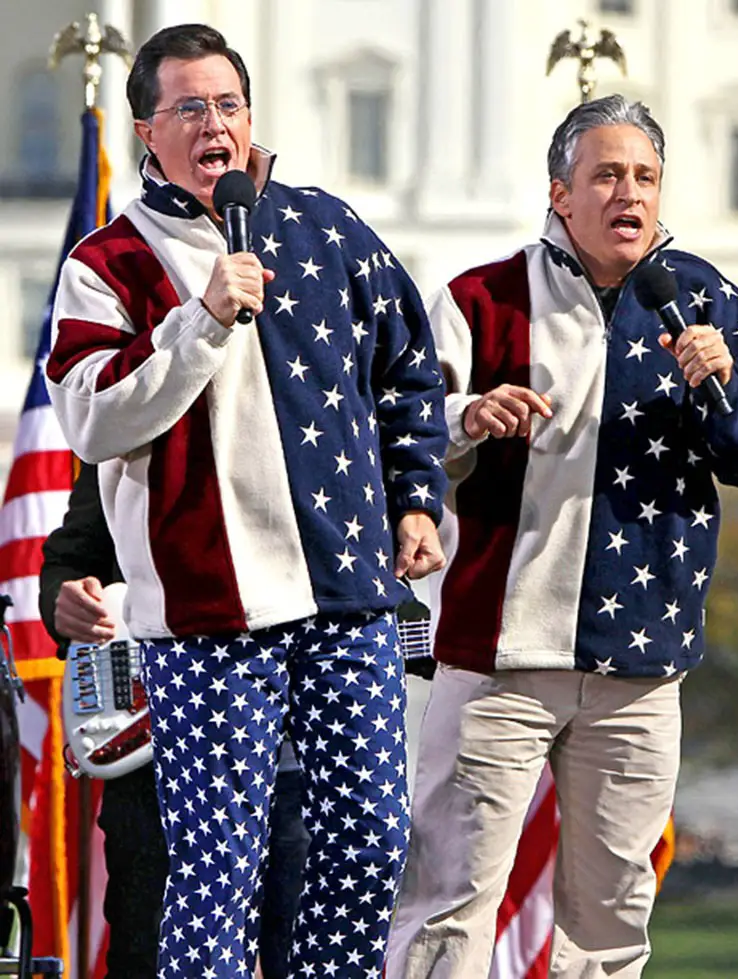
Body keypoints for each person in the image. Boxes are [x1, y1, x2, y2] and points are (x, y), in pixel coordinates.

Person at [45, 22, 448, 979]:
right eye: (189, 107)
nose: (213, 124)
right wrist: (201, 319)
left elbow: (408, 372)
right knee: (217, 872)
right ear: (150, 131)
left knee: (371, 844)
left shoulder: (327, 228)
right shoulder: (108, 264)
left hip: (346, 597)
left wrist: (417, 499)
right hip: (207, 612)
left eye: (228, 104)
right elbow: (93, 421)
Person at [386, 94, 738, 979]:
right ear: (560, 193)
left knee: (611, 925)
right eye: (606, 174)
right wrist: (467, 417)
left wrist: (723, 381)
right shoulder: (479, 299)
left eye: (644, 176)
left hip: (641, 670)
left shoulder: (707, 301)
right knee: (448, 903)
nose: (628, 193)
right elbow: (400, 432)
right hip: (495, 658)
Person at [39, 463, 310, 979]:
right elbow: (69, 560)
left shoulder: (317, 411)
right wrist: (63, 602)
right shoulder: (129, 418)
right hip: (156, 759)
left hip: (288, 761)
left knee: (295, 950)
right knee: (146, 947)